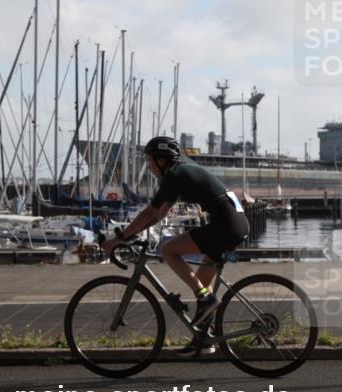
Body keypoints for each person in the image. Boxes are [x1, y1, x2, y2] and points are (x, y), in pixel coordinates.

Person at [101, 136, 250, 354]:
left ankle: (205, 300)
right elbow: (160, 214)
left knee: (168, 250)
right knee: (202, 283)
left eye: (150, 162)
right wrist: (131, 234)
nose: (149, 167)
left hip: (226, 225)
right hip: (236, 222)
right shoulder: (182, 169)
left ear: (162, 160)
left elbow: (151, 212)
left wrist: (120, 238)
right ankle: (203, 340)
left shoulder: (174, 174)